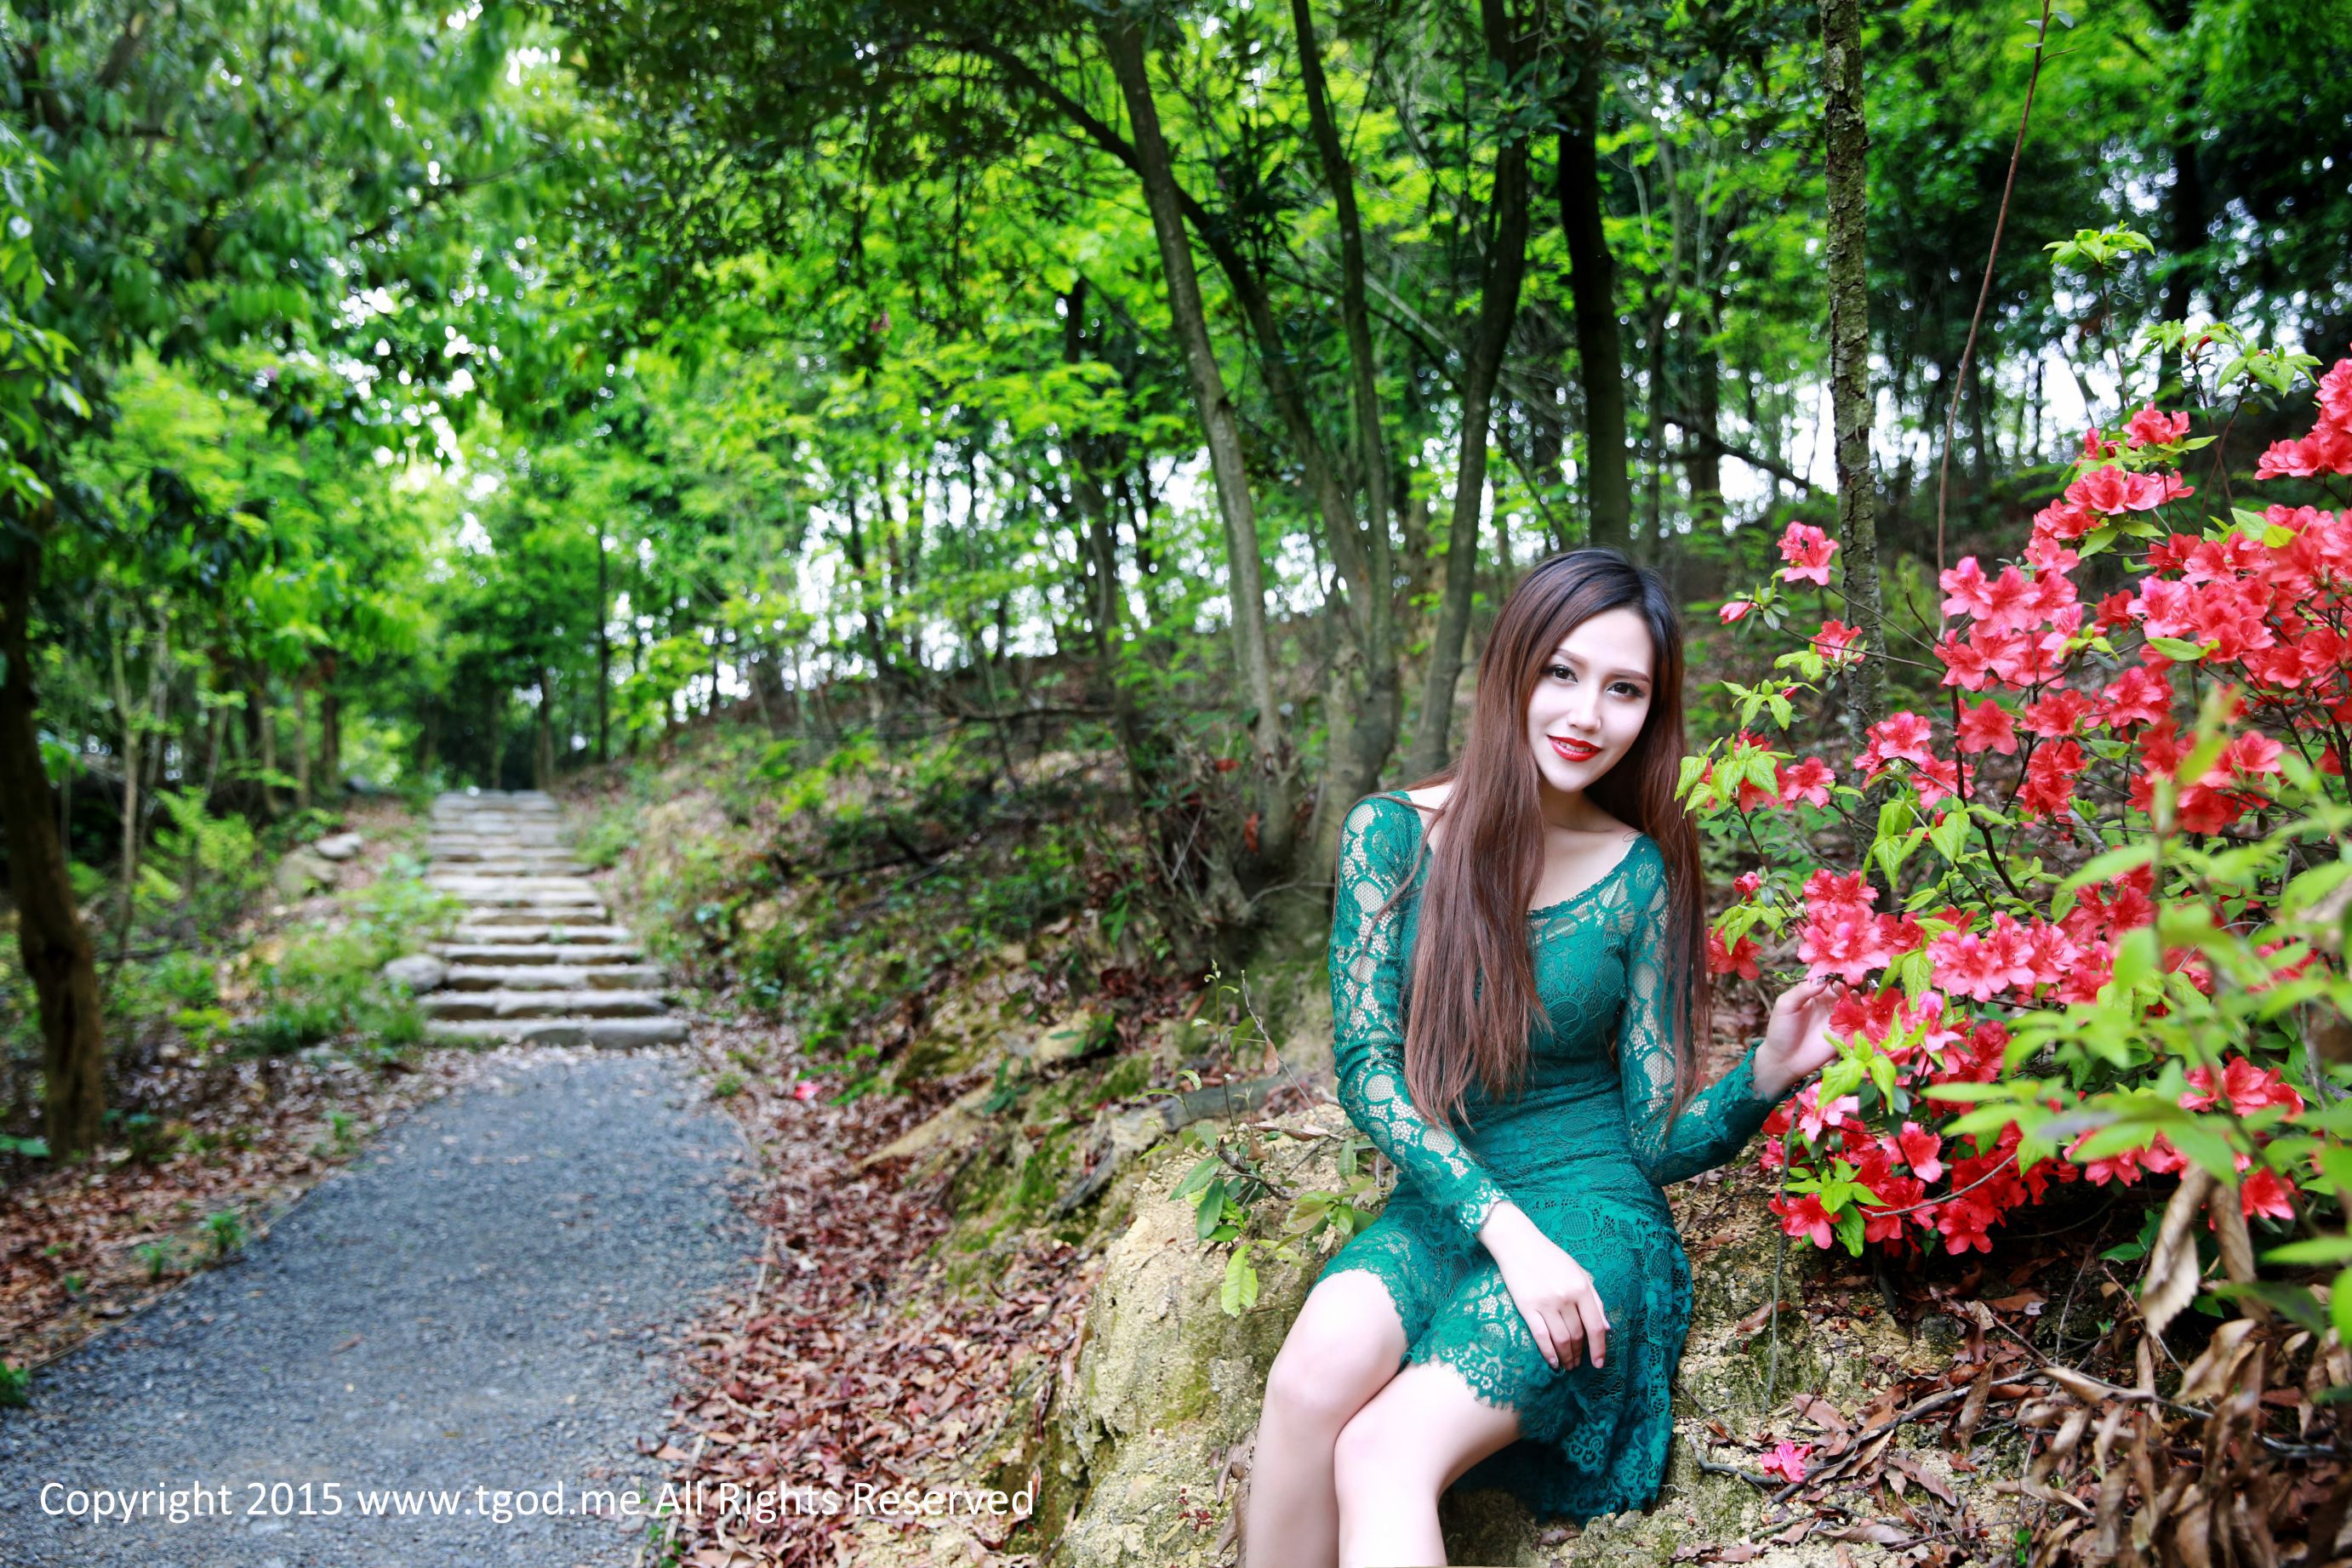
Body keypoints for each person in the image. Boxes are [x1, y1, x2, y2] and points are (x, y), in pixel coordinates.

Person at [1240, 548, 1841, 1568]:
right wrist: (1502, 1229)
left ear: (1650, 712)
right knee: (1307, 1383)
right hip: (1454, 1202)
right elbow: (1367, 1067)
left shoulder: (1639, 871)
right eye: (1562, 672)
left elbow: (1651, 1138)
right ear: (1513, 667)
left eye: (1624, 690)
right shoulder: (1390, 837)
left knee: (1383, 1454)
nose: (1586, 714)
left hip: (1592, 1214)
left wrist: (1767, 1074)